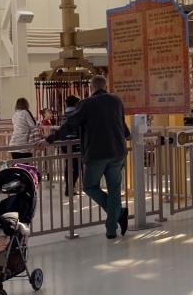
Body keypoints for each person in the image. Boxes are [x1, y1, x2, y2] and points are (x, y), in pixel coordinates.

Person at [35, 75, 131, 239]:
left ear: (91, 87)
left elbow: (70, 125)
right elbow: (121, 123)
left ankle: (118, 213)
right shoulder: (116, 100)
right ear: (105, 86)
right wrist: (127, 135)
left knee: (89, 186)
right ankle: (111, 229)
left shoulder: (86, 103)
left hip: (97, 153)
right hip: (117, 151)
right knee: (114, 190)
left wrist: (49, 139)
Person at [60, 95, 81, 196]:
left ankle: (68, 186)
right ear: (76, 103)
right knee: (77, 165)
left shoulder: (64, 113)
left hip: (64, 142)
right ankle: (71, 187)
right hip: (75, 142)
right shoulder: (76, 112)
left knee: (68, 165)